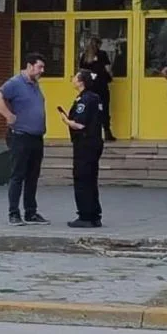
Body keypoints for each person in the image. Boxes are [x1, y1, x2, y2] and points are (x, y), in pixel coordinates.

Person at [0, 53, 50, 226]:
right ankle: (14, 213)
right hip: (20, 136)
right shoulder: (15, 83)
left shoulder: (34, 84)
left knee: (33, 176)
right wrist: (8, 115)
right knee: (18, 175)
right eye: (39, 67)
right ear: (30, 66)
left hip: (36, 137)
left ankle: (31, 212)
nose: (42, 71)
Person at [57, 69, 104, 228]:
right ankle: (94, 215)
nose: (72, 79)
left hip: (84, 144)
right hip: (95, 142)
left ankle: (85, 215)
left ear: (81, 81)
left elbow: (80, 124)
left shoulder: (84, 99)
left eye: (75, 77)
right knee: (91, 179)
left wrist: (66, 120)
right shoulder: (96, 97)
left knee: (82, 179)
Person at [79, 36, 116, 141]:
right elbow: (108, 69)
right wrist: (111, 76)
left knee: (90, 109)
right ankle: (107, 132)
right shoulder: (102, 54)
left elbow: (81, 72)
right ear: (98, 44)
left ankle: (89, 133)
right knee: (104, 109)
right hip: (101, 86)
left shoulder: (84, 56)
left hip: (89, 87)